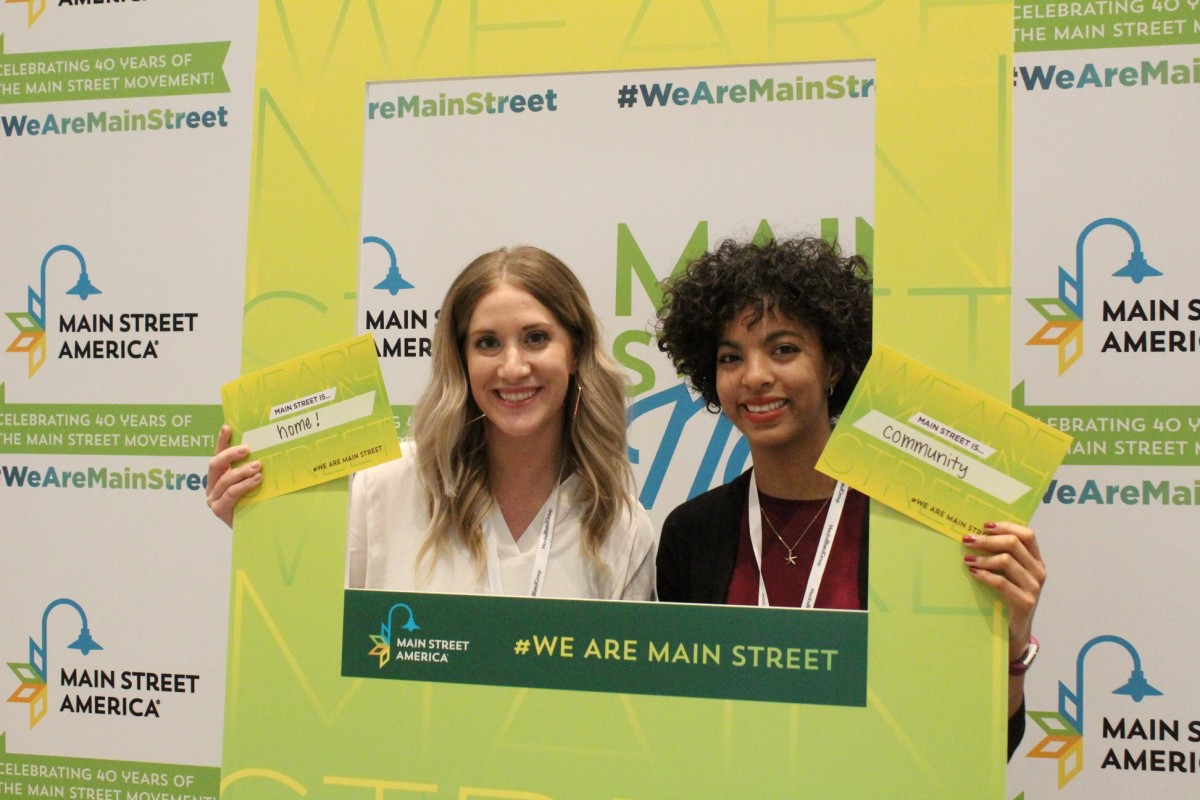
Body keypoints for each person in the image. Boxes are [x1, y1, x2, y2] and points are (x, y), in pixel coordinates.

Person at [654, 236, 1044, 759]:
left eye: (783, 349)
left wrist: (1011, 645)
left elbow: (986, 746)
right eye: (730, 357)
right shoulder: (690, 532)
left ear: (833, 365)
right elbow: (680, 727)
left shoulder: (913, 518)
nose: (755, 377)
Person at [207, 246, 655, 600]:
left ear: (574, 351)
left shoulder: (620, 524)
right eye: (488, 343)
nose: (514, 367)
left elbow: (626, 704)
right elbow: (308, 621)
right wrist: (258, 532)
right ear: (461, 360)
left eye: (536, 338)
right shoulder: (383, 486)